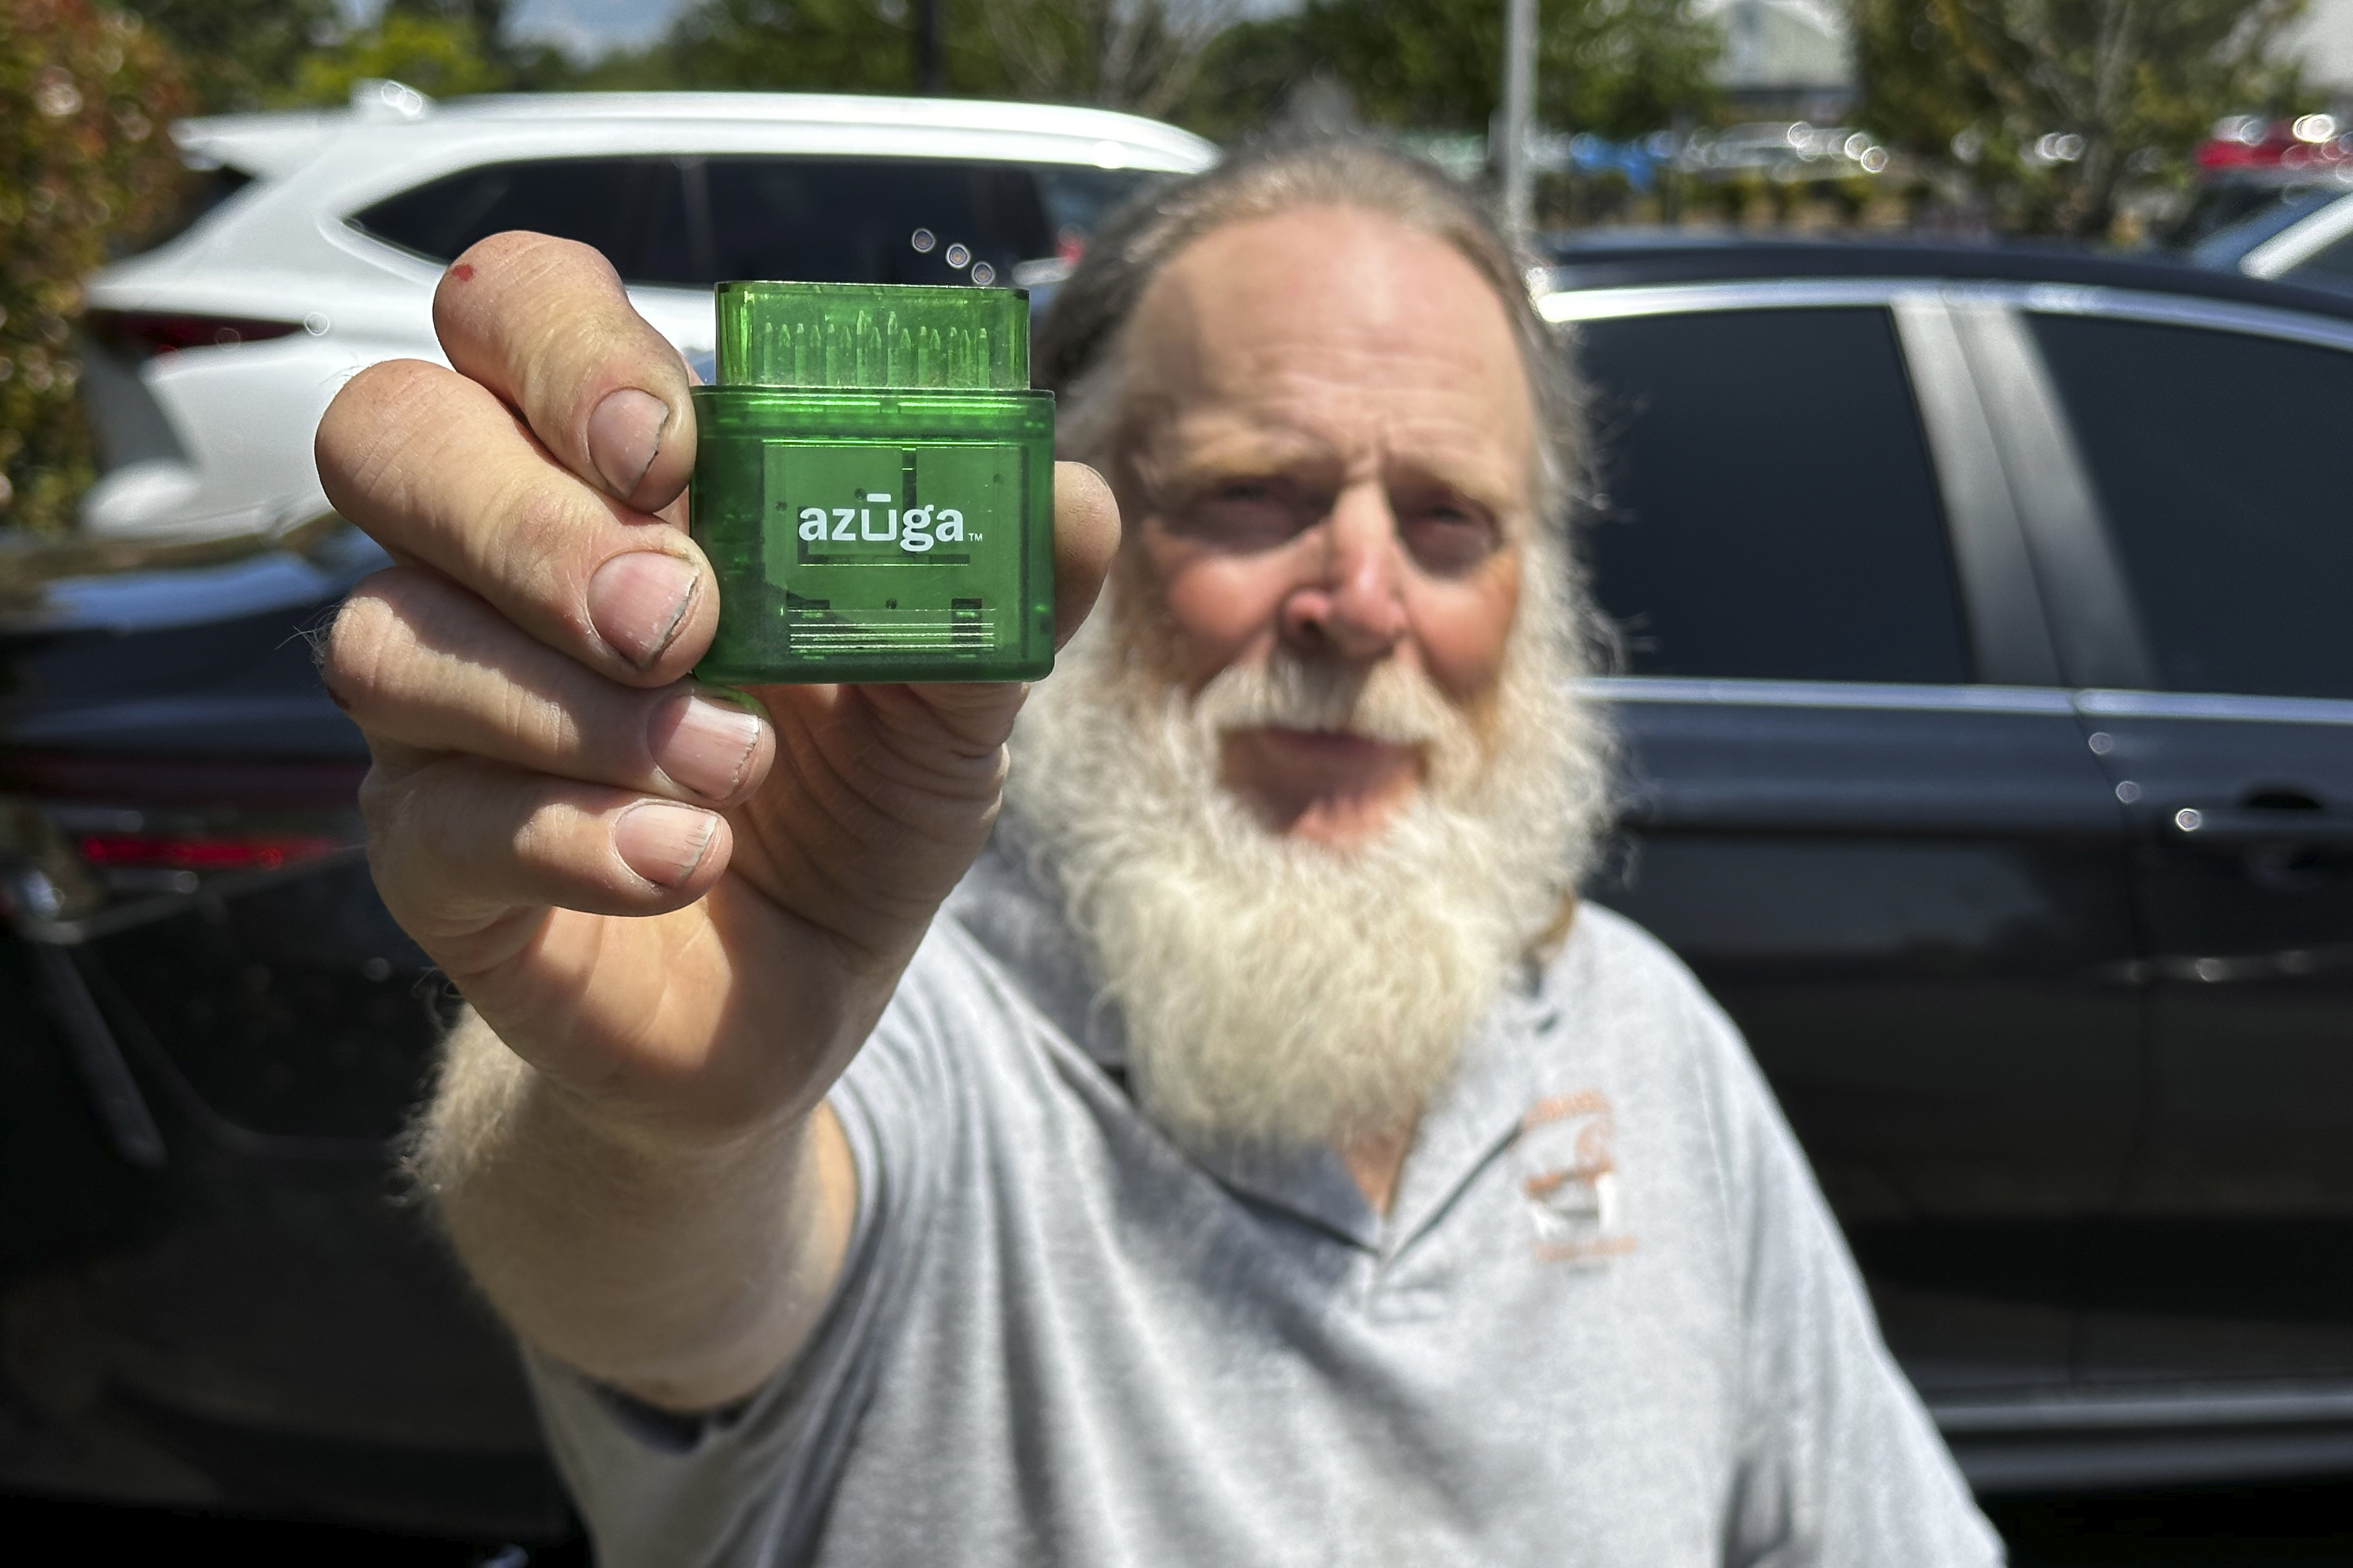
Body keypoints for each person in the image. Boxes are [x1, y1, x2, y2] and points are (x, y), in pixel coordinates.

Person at [317, 137, 2002, 1566]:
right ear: (1050, 519)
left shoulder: (1644, 1042)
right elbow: (661, 1295)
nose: (1358, 602)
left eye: (1448, 522)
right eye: (1250, 494)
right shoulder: (908, 1009)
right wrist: (666, 1119)